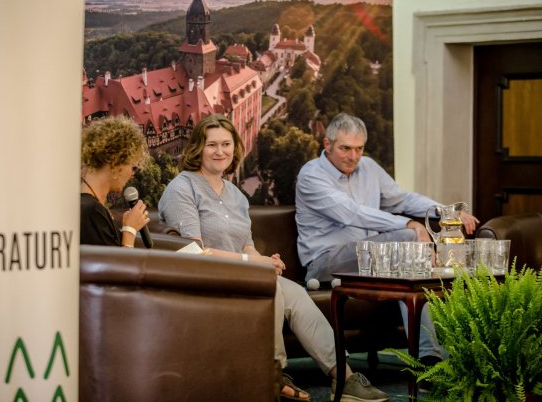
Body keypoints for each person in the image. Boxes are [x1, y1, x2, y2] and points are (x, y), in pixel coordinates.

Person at [159, 114, 389, 402]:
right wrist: (253, 264)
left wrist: (267, 260)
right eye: (212, 145)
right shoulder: (182, 188)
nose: (220, 152)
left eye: (226, 144)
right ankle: (272, 373)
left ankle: (344, 379)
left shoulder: (237, 195)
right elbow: (191, 252)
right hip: (204, 280)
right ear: (197, 149)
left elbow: (247, 246)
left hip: (241, 276)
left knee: (296, 294)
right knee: (272, 287)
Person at [295, 112, 479, 366]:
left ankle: (428, 357)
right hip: (325, 263)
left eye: (359, 149)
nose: (353, 157)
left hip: (368, 260)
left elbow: (402, 199)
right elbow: (352, 213)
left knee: (408, 269)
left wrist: (447, 212)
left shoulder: (367, 166)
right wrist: (409, 224)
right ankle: (428, 355)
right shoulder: (311, 175)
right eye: (345, 148)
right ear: (327, 144)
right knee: (407, 240)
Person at [80, 116, 150, 247]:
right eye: (132, 167)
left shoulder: (90, 206)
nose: (132, 175)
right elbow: (116, 266)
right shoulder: (91, 211)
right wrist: (130, 230)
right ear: (116, 162)